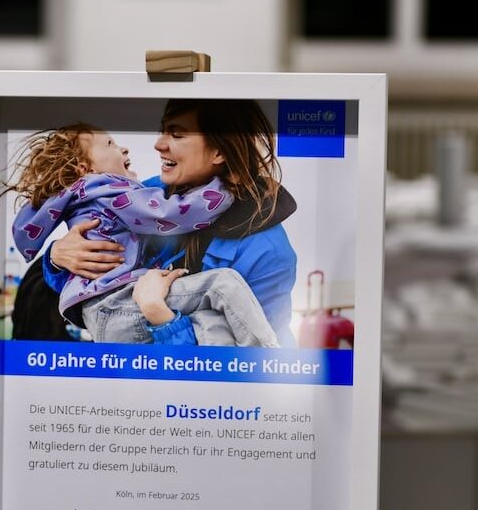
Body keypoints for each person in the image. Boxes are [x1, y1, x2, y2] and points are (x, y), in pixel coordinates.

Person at [44, 100, 298, 346]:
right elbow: (99, 277)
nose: (158, 144)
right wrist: (57, 257)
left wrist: (161, 316)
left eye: (177, 135)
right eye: (162, 131)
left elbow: (255, 366)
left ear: (219, 151)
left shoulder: (269, 253)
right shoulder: (151, 196)